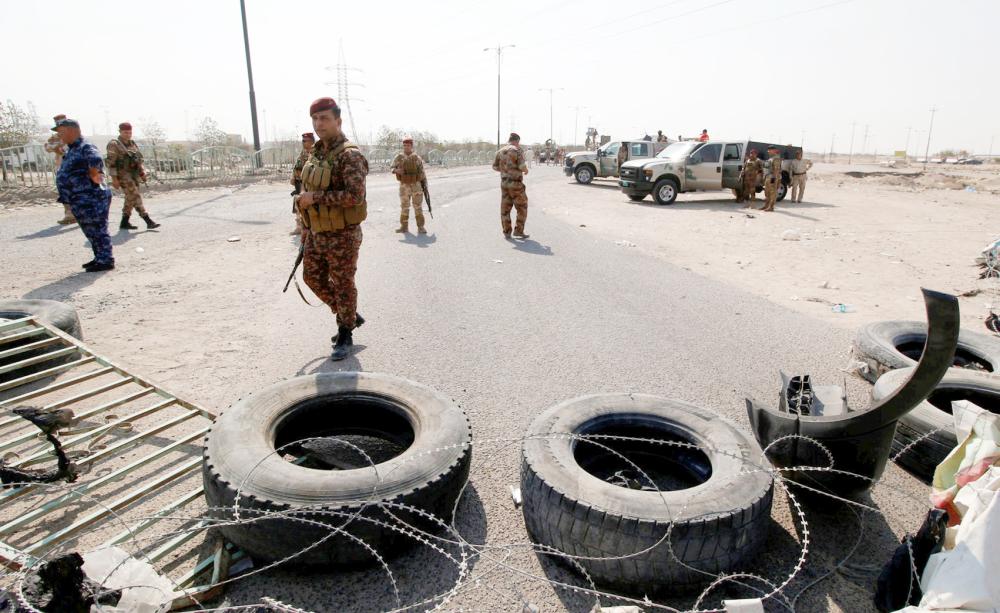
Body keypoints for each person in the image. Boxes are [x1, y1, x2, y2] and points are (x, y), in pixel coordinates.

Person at [294, 97, 368, 361]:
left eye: (324, 118)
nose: (318, 123)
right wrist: (305, 225)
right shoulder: (316, 153)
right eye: (315, 118)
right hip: (316, 231)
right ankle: (348, 314)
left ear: (338, 120)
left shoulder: (350, 155)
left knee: (343, 283)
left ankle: (345, 332)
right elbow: (305, 189)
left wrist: (315, 199)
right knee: (311, 278)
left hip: (343, 234)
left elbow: (354, 196)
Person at [54, 119, 114, 272]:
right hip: (79, 198)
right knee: (90, 229)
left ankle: (106, 260)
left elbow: (96, 159)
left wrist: (95, 173)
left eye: (61, 131)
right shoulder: (72, 149)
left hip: (91, 196)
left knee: (98, 228)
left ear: (71, 130)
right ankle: (99, 257)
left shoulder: (84, 146)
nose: (59, 135)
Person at [107, 122, 159, 230]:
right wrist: (114, 179)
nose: (128, 134)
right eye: (125, 132)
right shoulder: (114, 144)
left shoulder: (132, 143)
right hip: (122, 175)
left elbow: (137, 160)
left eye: (130, 132)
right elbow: (111, 163)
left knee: (130, 197)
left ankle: (124, 222)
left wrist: (142, 173)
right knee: (135, 195)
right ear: (120, 132)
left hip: (133, 174)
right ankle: (148, 220)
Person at [492, 132, 529, 239]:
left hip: (504, 184)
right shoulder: (516, 150)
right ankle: (519, 230)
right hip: (516, 184)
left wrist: (505, 170)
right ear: (517, 141)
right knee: (522, 207)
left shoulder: (499, 151)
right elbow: (522, 166)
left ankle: (507, 231)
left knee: (505, 208)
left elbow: (494, 167)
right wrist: (526, 171)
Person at [390, 136, 428, 234]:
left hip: (416, 186)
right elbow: (391, 168)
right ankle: (404, 227)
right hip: (404, 187)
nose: (406, 147)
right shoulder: (399, 157)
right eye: (405, 145)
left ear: (411, 146)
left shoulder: (417, 158)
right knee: (404, 206)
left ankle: (421, 227)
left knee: (418, 206)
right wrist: (396, 170)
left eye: (408, 145)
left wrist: (424, 186)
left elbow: (422, 173)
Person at [45, 114, 76, 225]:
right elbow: (48, 147)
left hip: (75, 166)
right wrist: (57, 147)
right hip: (62, 166)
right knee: (63, 190)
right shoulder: (54, 137)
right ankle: (69, 214)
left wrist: (58, 147)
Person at [761, 145, 782, 212]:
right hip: (768, 177)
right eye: (768, 150)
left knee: (772, 193)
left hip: (772, 177)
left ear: (774, 150)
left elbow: (776, 170)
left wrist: (774, 179)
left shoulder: (776, 159)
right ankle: (766, 205)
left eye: (770, 150)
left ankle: (771, 207)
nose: (768, 152)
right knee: (767, 192)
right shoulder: (771, 159)